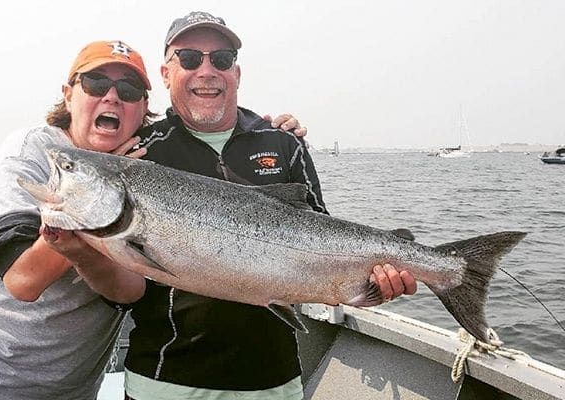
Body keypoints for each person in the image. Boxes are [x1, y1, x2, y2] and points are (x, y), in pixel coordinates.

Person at [51, 12, 416, 400]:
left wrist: (372, 279)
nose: (206, 70)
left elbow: (321, 237)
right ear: (165, 73)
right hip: (165, 382)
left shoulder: (283, 143)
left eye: (221, 59)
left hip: (276, 382)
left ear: (236, 74)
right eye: (189, 58)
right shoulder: (140, 151)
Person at [0, 37, 307, 400]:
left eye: (128, 91)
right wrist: (88, 205)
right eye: (96, 84)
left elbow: (130, 290)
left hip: (74, 389)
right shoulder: (33, 155)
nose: (111, 97)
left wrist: (272, 130)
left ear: (143, 109)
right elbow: (22, 280)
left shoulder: (139, 160)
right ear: (68, 93)